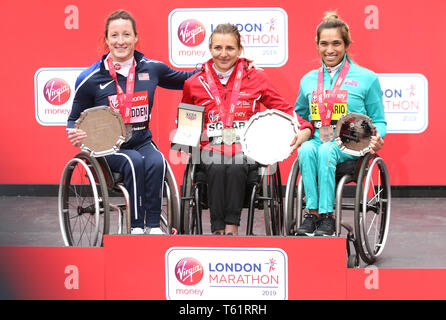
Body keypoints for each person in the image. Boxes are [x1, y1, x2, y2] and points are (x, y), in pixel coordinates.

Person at [66, 10, 197, 235]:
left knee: (157, 161)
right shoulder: (89, 79)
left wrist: (234, 68)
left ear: (136, 37)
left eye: (126, 35)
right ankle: (136, 228)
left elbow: (188, 79)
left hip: (140, 139)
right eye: (114, 35)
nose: (121, 41)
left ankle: (153, 226)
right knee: (133, 160)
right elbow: (73, 119)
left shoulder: (152, 68)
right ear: (106, 40)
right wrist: (73, 133)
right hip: (107, 147)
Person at [181, 23, 314, 235]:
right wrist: (186, 140)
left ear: (239, 50)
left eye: (230, 48)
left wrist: (306, 127)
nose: (223, 54)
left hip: (247, 149)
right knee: (215, 165)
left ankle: (231, 227)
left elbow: (283, 108)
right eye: (218, 48)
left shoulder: (256, 78)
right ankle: (217, 230)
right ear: (210, 49)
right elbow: (187, 125)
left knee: (235, 164)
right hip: (211, 149)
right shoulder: (193, 83)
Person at [294, 11, 386, 236]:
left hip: (352, 144)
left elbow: (379, 119)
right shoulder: (307, 80)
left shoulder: (366, 78)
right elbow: (300, 113)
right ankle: (312, 214)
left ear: (346, 45)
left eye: (336, 43)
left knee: (326, 150)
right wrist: (305, 130)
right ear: (317, 45)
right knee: (306, 149)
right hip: (318, 140)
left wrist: (377, 137)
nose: (330, 50)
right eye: (324, 43)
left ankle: (326, 217)